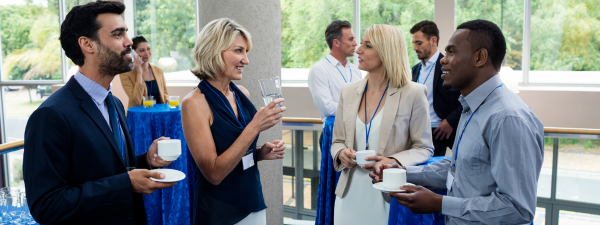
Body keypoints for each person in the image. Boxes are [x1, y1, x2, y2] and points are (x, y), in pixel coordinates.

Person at [370, 20, 544, 224]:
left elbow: (517, 209)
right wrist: (402, 171)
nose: (443, 60)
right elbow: (459, 168)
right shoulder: (471, 107)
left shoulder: (507, 118)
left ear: (480, 57)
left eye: (452, 52)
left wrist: (440, 203)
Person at [23, 1, 176, 224]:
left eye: (126, 33)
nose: (129, 42)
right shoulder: (50, 116)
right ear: (87, 44)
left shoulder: (114, 103)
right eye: (118, 34)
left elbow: (111, 170)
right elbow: (47, 205)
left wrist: (146, 161)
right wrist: (127, 183)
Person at [181, 18, 286, 225]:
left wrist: (258, 154)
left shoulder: (241, 94)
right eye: (238, 51)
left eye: (246, 52)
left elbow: (236, 153)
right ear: (214, 51)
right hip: (221, 211)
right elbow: (214, 173)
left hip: (253, 200)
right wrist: (255, 125)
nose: (246, 60)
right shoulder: (194, 103)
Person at [331, 24, 433, 225]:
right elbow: (338, 141)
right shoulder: (348, 91)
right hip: (348, 195)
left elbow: (424, 148)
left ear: (387, 52)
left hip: (387, 196)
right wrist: (341, 153)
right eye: (361, 43)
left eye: (368, 46)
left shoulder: (413, 93)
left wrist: (392, 160)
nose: (358, 49)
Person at [410, 21, 462, 156]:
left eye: (419, 43)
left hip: (439, 130)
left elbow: (465, 98)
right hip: (417, 131)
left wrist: (450, 121)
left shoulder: (449, 65)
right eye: (414, 43)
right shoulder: (415, 69)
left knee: (434, 172)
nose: (415, 48)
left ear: (433, 40)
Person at [307, 20, 363, 146]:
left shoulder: (356, 70)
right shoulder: (319, 70)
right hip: (333, 135)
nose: (355, 44)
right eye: (350, 39)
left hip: (357, 134)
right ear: (336, 42)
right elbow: (327, 108)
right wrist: (358, 109)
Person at [119, 36, 169, 107]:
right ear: (133, 53)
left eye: (148, 49)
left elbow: (165, 96)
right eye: (142, 50)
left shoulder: (158, 71)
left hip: (158, 114)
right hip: (139, 116)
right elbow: (136, 101)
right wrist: (139, 73)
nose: (147, 53)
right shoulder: (125, 73)